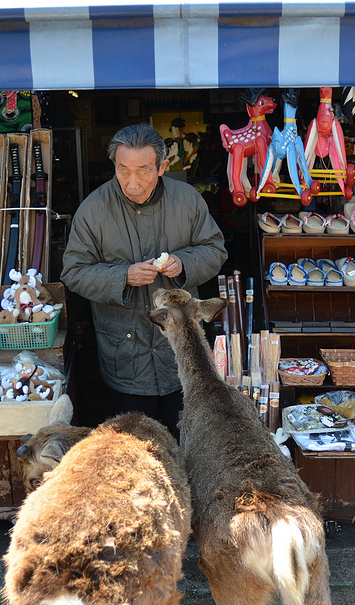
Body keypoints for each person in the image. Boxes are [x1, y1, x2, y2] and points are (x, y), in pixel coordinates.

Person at [61, 123, 227, 436]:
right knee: (140, 450)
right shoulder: (93, 210)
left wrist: (184, 263)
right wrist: (122, 276)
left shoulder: (187, 201)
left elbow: (215, 249)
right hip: (124, 353)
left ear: (162, 166)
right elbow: (73, 271)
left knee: (189, 441)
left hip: (180, 351)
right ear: (114, 164)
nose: (132, 183)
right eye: (123, 170)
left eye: (144, 171)